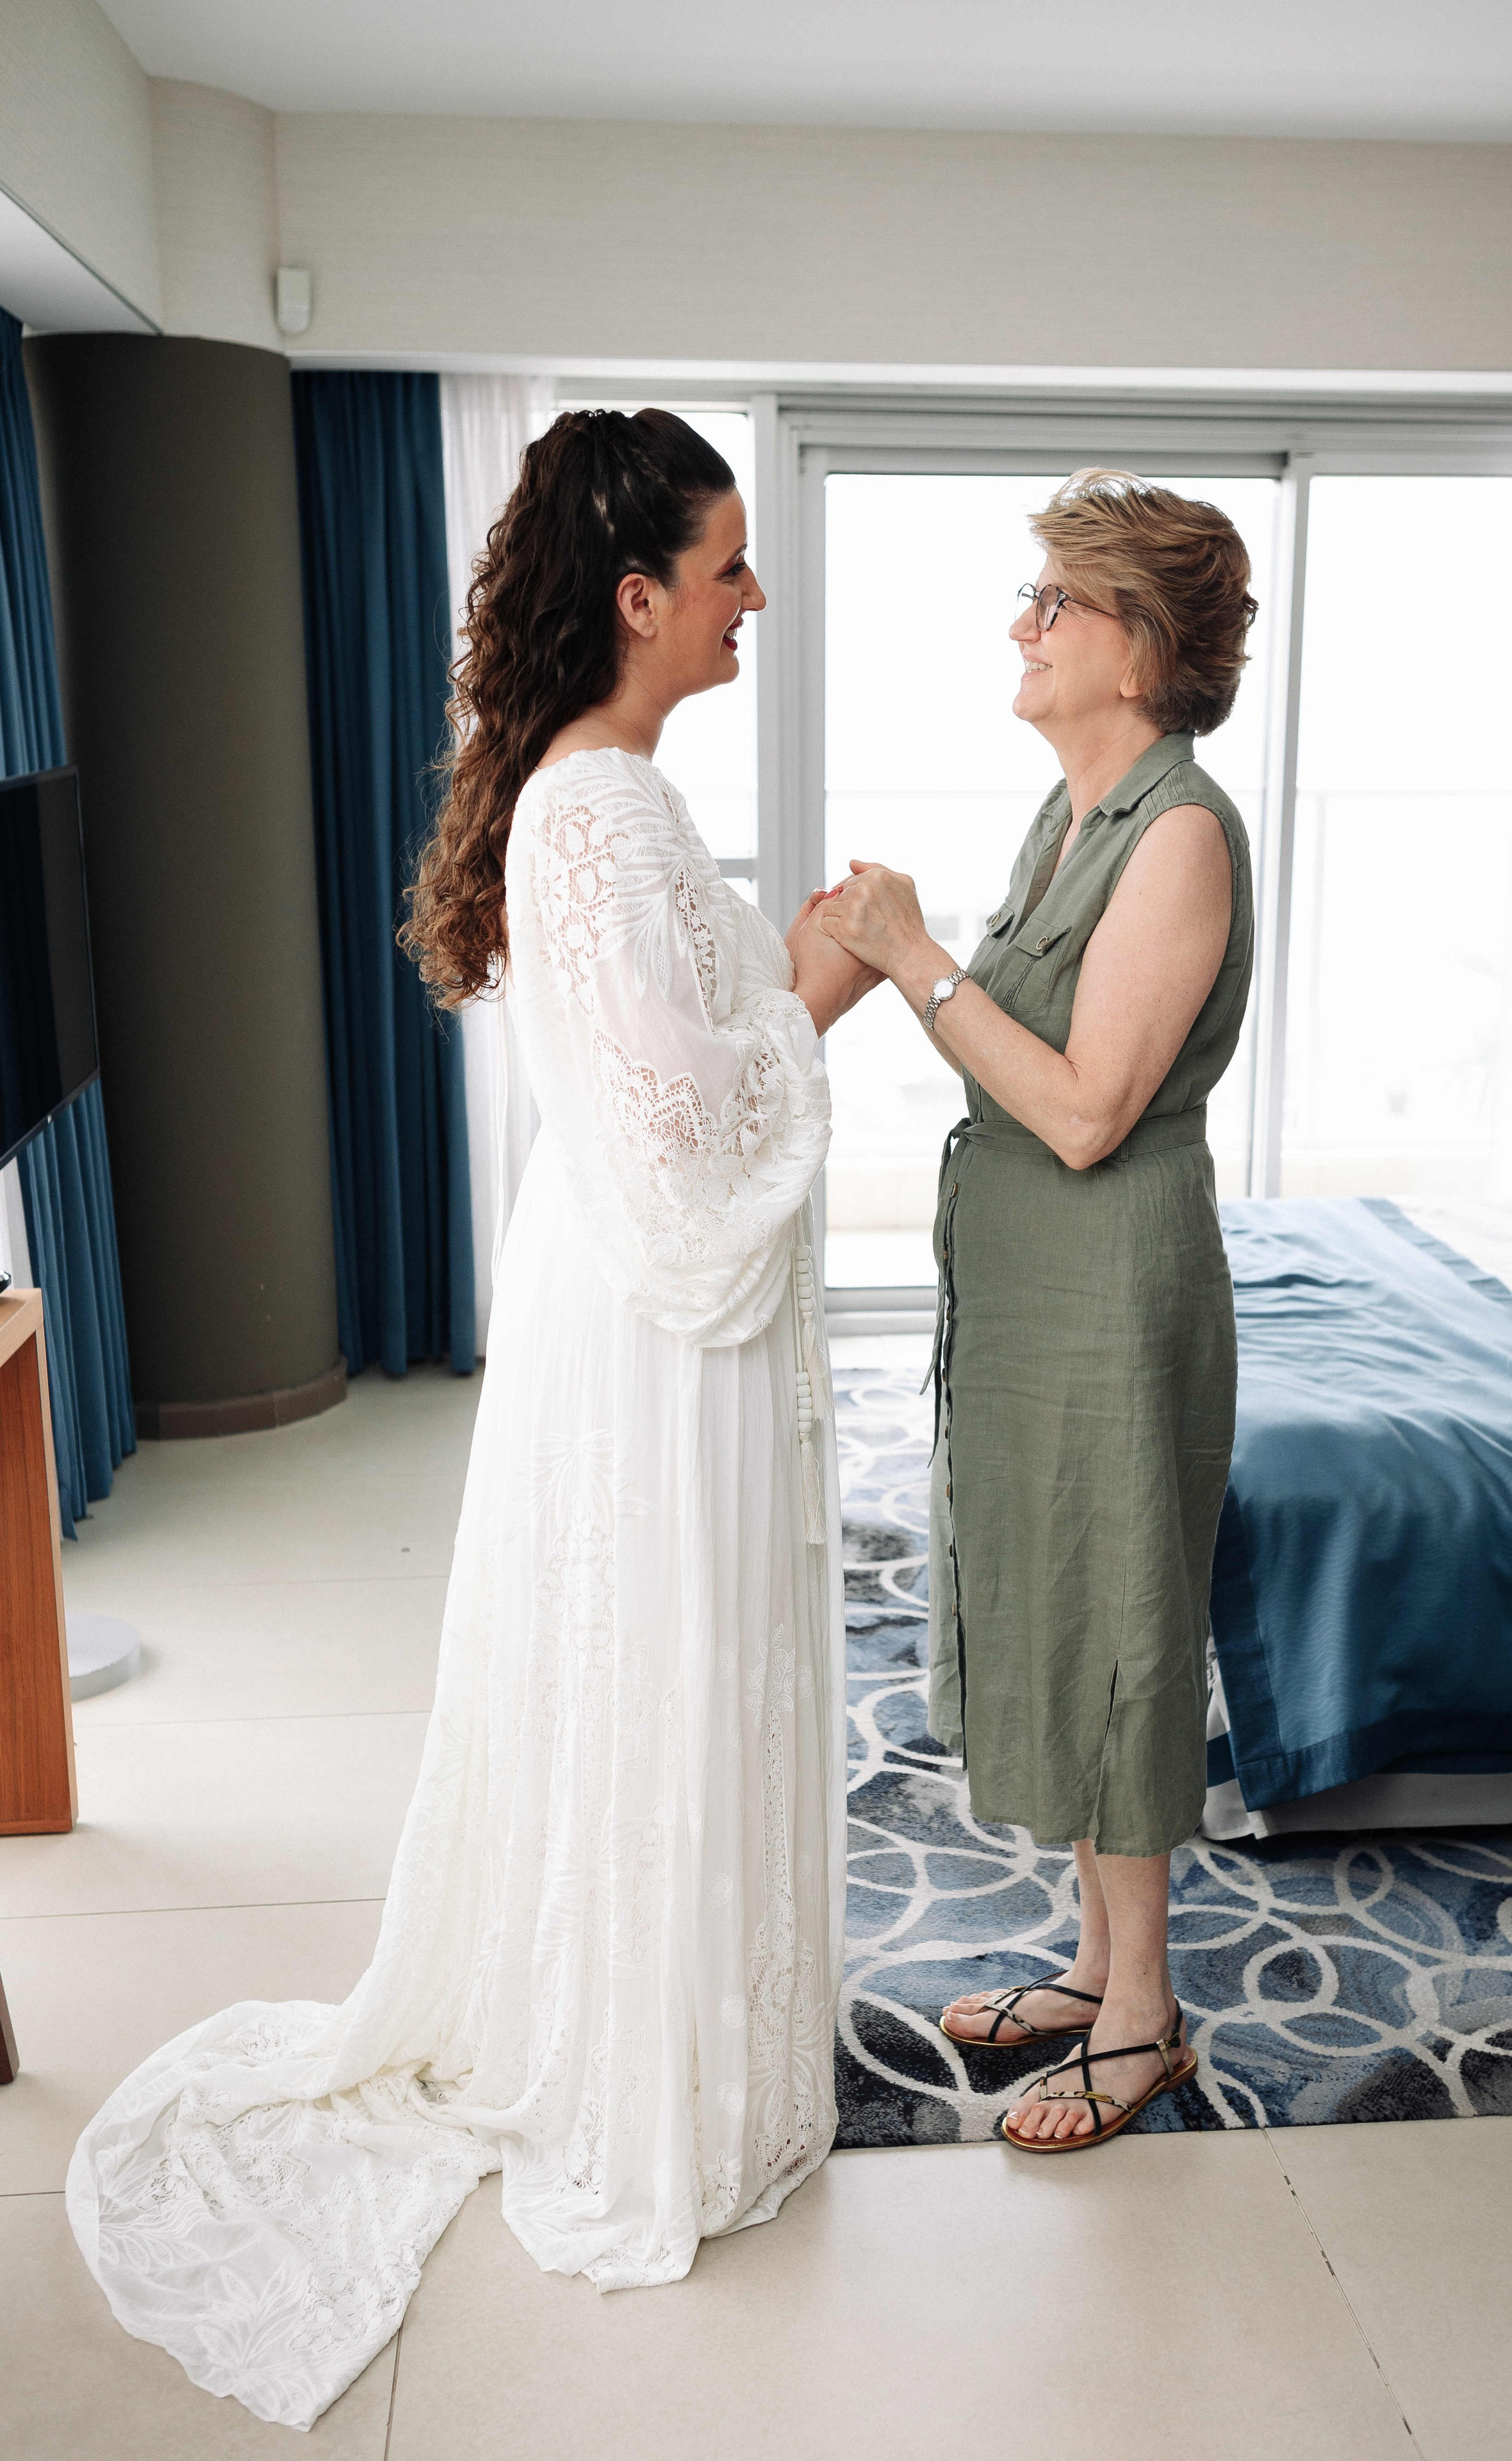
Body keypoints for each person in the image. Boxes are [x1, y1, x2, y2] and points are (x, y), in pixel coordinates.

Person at [66, 409, 880, 2426]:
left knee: (665, 1673)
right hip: (652, 1315)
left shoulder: (605, 796)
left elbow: (673, 1069)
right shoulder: (601, 810)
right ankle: (648, 2078)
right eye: (726, 569)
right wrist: (826, 995)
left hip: (633, 1291)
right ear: (636, 597)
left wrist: (779, 987)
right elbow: (687, 1122)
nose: (751, 598)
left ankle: (676, 2040)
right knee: (664, 1666)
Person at [814, 468, 1256, 2153]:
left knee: (1124, 1625)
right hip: (1028, 1289)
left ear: (1134, 646)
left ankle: (1144, 2020)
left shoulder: (1183, 834)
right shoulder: (1069, 819)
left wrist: (920, 958)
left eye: (1052, 602)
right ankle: (1094, 1963)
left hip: (1113, 1286)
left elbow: (1083, 1111)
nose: (1023, 625)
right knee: (1058, 1610)